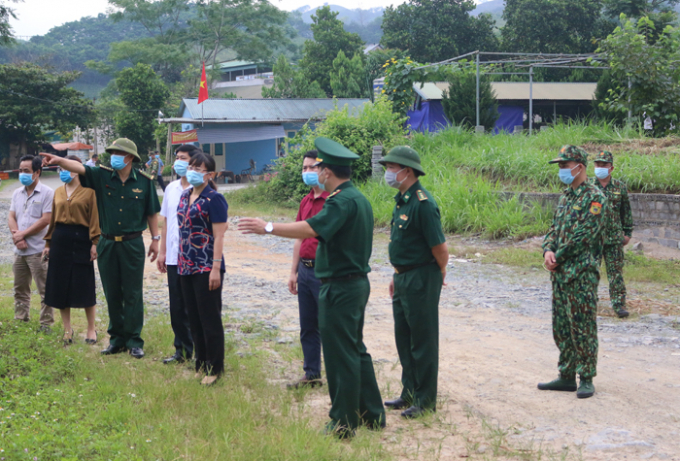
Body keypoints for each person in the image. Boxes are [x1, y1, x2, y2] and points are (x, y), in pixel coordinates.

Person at [239, 137, 385, 438]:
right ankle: (372, 413)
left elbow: (310, 228)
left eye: (318, 168)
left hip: (340, 287)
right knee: (355, 350)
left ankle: (343, 422)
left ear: (327, 172)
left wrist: (267, 227)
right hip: (354, 284)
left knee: (339, 355)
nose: (315, 173)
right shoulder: (357, 197)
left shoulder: (340, 201)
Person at [41, 138, 161, 359]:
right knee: (112, 292)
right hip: (106, 243)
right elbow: (80, 168)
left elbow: (151, 212)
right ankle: (116, 340)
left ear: (131, 158)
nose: (114, 156)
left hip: (132, 243)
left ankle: (134, 340)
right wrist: (59, 160)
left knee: (133, 293)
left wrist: (155, 239)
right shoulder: (102, 175)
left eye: (119, 153)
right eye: (112, 152)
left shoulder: (144, 182)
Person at [379, 146, 448, 418]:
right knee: (404, 337)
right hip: (403, 276)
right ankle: (409, 392)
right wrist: (397, 274)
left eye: (391, 168)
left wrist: (439, 272)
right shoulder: (402, 200)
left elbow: (440, 248)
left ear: (406, 171)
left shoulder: (423, 204)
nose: (387, 173)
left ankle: (425, 399)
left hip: (422, 277)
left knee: (423, 340)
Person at [539, 145, 607, 399]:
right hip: (560, 273)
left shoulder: (595, 197)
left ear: (579, 166)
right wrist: (548, 250)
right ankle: (566, 375)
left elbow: (584, 235)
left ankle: (586, 377)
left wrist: (560, 255)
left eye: (564, 166)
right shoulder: (566, 196)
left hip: (581, 273)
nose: (561, 170)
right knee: (561, 326)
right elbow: (554, 228)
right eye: (559, 166)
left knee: (583, 326)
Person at [177, 152, 229, 385]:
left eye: (200, 168)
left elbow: (219, 236)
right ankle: (200, 362)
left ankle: (215, 367)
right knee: (194, 318)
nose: (194, 171)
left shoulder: (214, 199)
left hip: (206, 265)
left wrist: (215, 268)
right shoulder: (185, 195)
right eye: (192, 167)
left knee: (209, 318)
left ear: (210, 174)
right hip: (186, 264)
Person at [43, 156, 100, 345]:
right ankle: (67, 329)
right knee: (60, 285)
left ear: (76, 170)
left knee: (84, 284)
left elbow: (94, 219)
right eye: (60, 168)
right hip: (60, 239)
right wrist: (48, 243)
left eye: (65, 167)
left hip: (81, 239)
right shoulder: (58, 192)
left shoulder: (89, 193)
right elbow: (53, 220)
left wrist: (94, 242)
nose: (63, 171)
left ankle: (91, 329)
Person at [286, 150, 329, 389]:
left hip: (324, 272)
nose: (308, 172)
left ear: (324, 170)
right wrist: (293, 272)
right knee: (308, 325)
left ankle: (336, 373)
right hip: (305, 270)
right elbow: (298, 238)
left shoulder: (332, 200)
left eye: (312, 168)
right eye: (304, 168)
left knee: (329, 325)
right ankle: (311, 373)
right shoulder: (305, 201)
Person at [157, 145, 200, 364]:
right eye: (177, 158)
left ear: (194, 163)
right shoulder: (172, 188)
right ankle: (181, 350)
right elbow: (166, 222)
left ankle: (198, 349)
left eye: (183, 158)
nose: (178, 163)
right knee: (176, 306)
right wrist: (162, 251)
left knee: (193, 305)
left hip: (193, 258)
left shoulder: (200, 188)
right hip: (173, 256)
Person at [8, 155, 54, 332]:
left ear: (37, 172)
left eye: (26, 171)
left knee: (44, 289)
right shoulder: (16, 193)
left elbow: (45, 220)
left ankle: (46, 323)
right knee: (20, 288)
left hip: (38, 250)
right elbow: (11, 216)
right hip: (19, 251)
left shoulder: (47, 193)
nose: (22, 174)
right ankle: (21, 318)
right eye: (20, 170)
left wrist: (22, 235)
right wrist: (17, 237)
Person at [590, 150, 633, 319]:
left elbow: (626, 212)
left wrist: (627, 233)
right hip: (593, 238)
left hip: (614, 239)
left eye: (604, 165)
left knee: (615, 273)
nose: (600, 167)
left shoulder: (620, 187)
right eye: (597, 164)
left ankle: (619, 304)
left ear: (611, 167)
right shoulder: (588, 187)